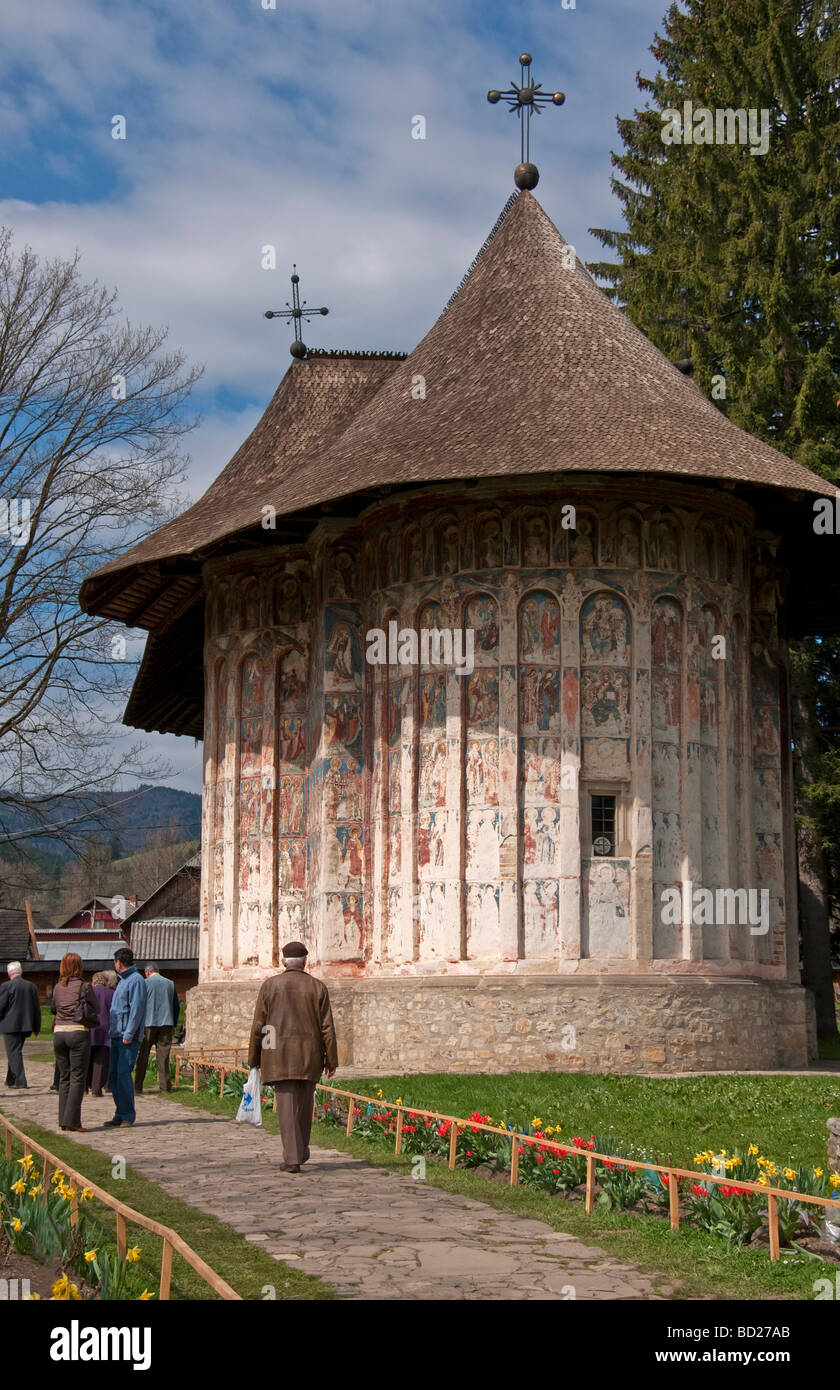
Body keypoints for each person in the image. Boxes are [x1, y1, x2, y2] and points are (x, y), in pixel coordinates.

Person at [246, 941, 337, 1173]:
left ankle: (293, 1158)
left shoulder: (270, 986)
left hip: (278, 1055)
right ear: (305, 961)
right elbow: (327, 1027)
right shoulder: (318, 987)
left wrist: (255, 1057)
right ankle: (300, 1151)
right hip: (310, 1055)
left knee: (287, 1108)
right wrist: (331, 1059)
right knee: (305, 1108)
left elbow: (260, 1026)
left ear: (284, 961)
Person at [52, 953, 97, 1132]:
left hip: (59, 1033)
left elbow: (55, 1008)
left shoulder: (56, 987)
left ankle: (63, 1119)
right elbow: (96, 1007)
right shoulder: (84, 986)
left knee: (64, 1077)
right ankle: (73, 1121)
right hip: (77, 1031)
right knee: (78, 1077)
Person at [104, 948, 147, 1129]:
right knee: (114, 1076)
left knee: (123, 1074)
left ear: (118, 963)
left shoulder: (136, 980)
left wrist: (129, 1034)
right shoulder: (122, 981)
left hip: (126, 1037)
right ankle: (119, 1112)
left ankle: (128, 1115)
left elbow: (136, 1010)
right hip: (116, 1034)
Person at [134, 964, 179, 1095]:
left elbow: (139, 1004)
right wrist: (174, 1023)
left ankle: (137, 1086)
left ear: (147, 972)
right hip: (166, 1023)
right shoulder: (170, 983)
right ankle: (165, 1087)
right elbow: (175, 1005)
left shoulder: (144, 983)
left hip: (148, 1023)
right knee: (163, 1056)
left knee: (143, 1055)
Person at [0, 962, 41, 1089]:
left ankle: (20, 1081)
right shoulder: (31, 986)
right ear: (21, 972)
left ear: (9, 973)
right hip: (26, 1025)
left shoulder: (6, 986)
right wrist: (36, 1027)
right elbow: (36, 1009)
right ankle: (10, 1079)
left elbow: (1, 1006)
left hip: (10, 1025)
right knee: (15, 1051)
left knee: (14, 1052)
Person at [87, 970, 117, 1097]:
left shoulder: (88, 992)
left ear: (93, 981)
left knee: (86, 1058)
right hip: (104, 1029)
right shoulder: (111, 993)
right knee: (101, 1060)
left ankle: (83, 1087)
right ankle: (96, 1089)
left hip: (89, 1027)